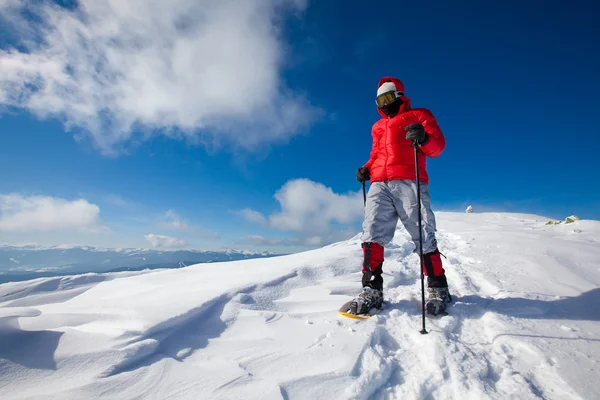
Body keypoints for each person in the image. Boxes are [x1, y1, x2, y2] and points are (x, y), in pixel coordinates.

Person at [350, 76, 451, 316]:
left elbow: (437, 146)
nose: (383, 104)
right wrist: (366, 168)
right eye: (379, 100)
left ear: (399, 95)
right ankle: (372, 289)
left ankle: (438, 287)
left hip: (409, 179)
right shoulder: (377, 127)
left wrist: (424, 138)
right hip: (378, 182)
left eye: (387, 97)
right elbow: (376, 154)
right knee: (371, 232)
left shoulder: (419, 115)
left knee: (422, 231)